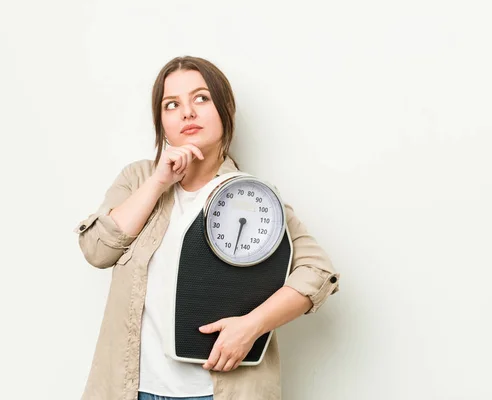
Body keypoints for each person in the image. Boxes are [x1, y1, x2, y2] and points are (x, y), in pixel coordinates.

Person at [74, 56, 340, 400]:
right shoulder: (138, 178)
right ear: (162, 121)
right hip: (130, 389)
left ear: (225, 109)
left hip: (219, 391)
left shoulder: (253, 197)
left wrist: (252, 326)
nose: (187, 112)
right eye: (172, 104)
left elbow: (318, 271)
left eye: (201, 98)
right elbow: (97, 250)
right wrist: (159, 180)